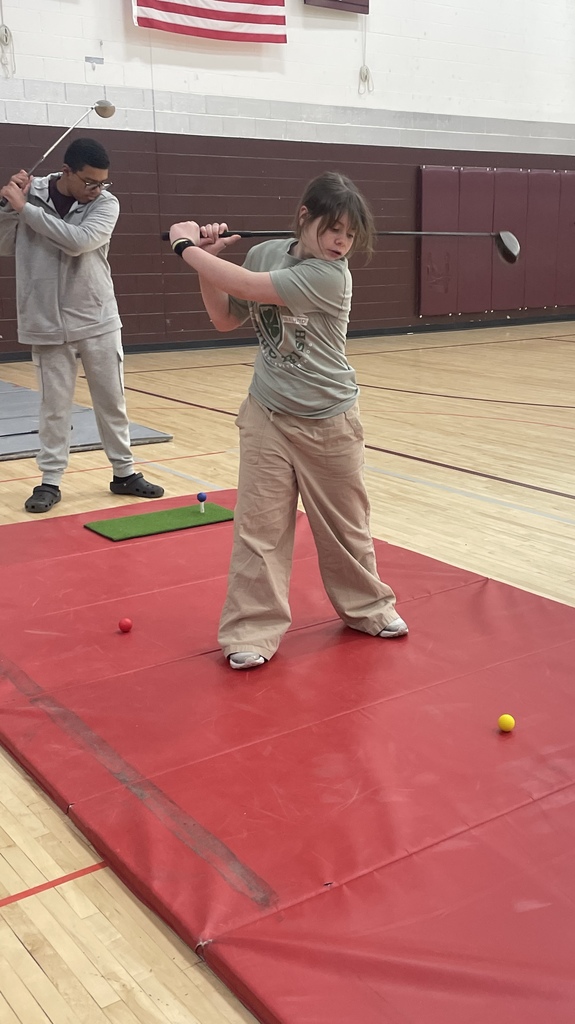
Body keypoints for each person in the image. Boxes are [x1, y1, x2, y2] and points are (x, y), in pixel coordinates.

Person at [168, 171, 408, 670]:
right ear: (304, 217)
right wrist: (207, 261)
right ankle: (250, 631)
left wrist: (185, 247)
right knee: (259, 528)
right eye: (332, 228)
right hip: (267, 415)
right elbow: (226, 317)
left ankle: (367, 606)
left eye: (350, 233)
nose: (341, 242)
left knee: (346, 527)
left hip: (329, 419)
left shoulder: (329, 275)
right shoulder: (264, 254)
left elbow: (249, 286)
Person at [0, 137, 164, 513]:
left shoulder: (106, 204)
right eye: (89, 182)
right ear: (66, 171)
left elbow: (78, 242)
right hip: (44, 321)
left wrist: (25, 210)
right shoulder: (31, 194)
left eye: (103, 182)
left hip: (97, 318)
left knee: (112, 401)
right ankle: (50, 481)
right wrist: (8, 206)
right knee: (53, 408)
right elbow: (4, 243)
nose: (96, 189)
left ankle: (124, 473)